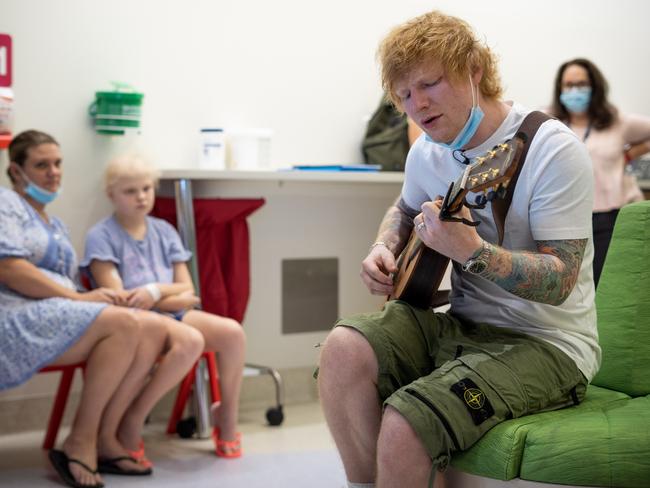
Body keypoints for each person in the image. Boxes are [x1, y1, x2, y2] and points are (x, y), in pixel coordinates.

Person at [317, 11, 600, 488]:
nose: (418, 105)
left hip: (549, 343)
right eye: (404, 95)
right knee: (343, 349)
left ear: (473, 69)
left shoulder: (550, 148)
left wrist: (472, 251)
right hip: (463, 324)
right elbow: (405, 209)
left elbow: (560, 280)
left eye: (429, 83)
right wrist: (383, 246)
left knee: (406, 425)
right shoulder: (427, 151)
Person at [0, 130, 203, 488]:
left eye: (58, 163)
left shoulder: (54, 224)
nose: (53, 172)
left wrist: (85, 298)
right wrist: (80, 299)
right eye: (41, 165)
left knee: (150, 326)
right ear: (16, 171)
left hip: (57, 309)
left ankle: (108, 437)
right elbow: (10, 269)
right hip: (16, 311)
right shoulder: (6, 205)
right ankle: (83, 438)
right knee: (125, 322)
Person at [81, 154, 246, 458]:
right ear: (111, 195)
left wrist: (154, 291)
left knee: (232, 332)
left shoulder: (164, 231)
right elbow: (122, 299)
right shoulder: (101, 236)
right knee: (190, 342)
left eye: (146, 188)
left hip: (174, 314)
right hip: (137, 322)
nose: (141, 197)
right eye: (130, 191)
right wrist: (165, 297)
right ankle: (134, 416)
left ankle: (227, 416)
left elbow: (189, 291)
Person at [547, 58, 650, 287]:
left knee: (604, 285)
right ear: (560, 89)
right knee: (569, 286)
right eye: (569, 85)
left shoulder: (617, 122)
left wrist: (631, 154)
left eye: (581, 84)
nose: (575, 90)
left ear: (595, 87)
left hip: (607, 218)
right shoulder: (550, 123)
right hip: (564, 217)